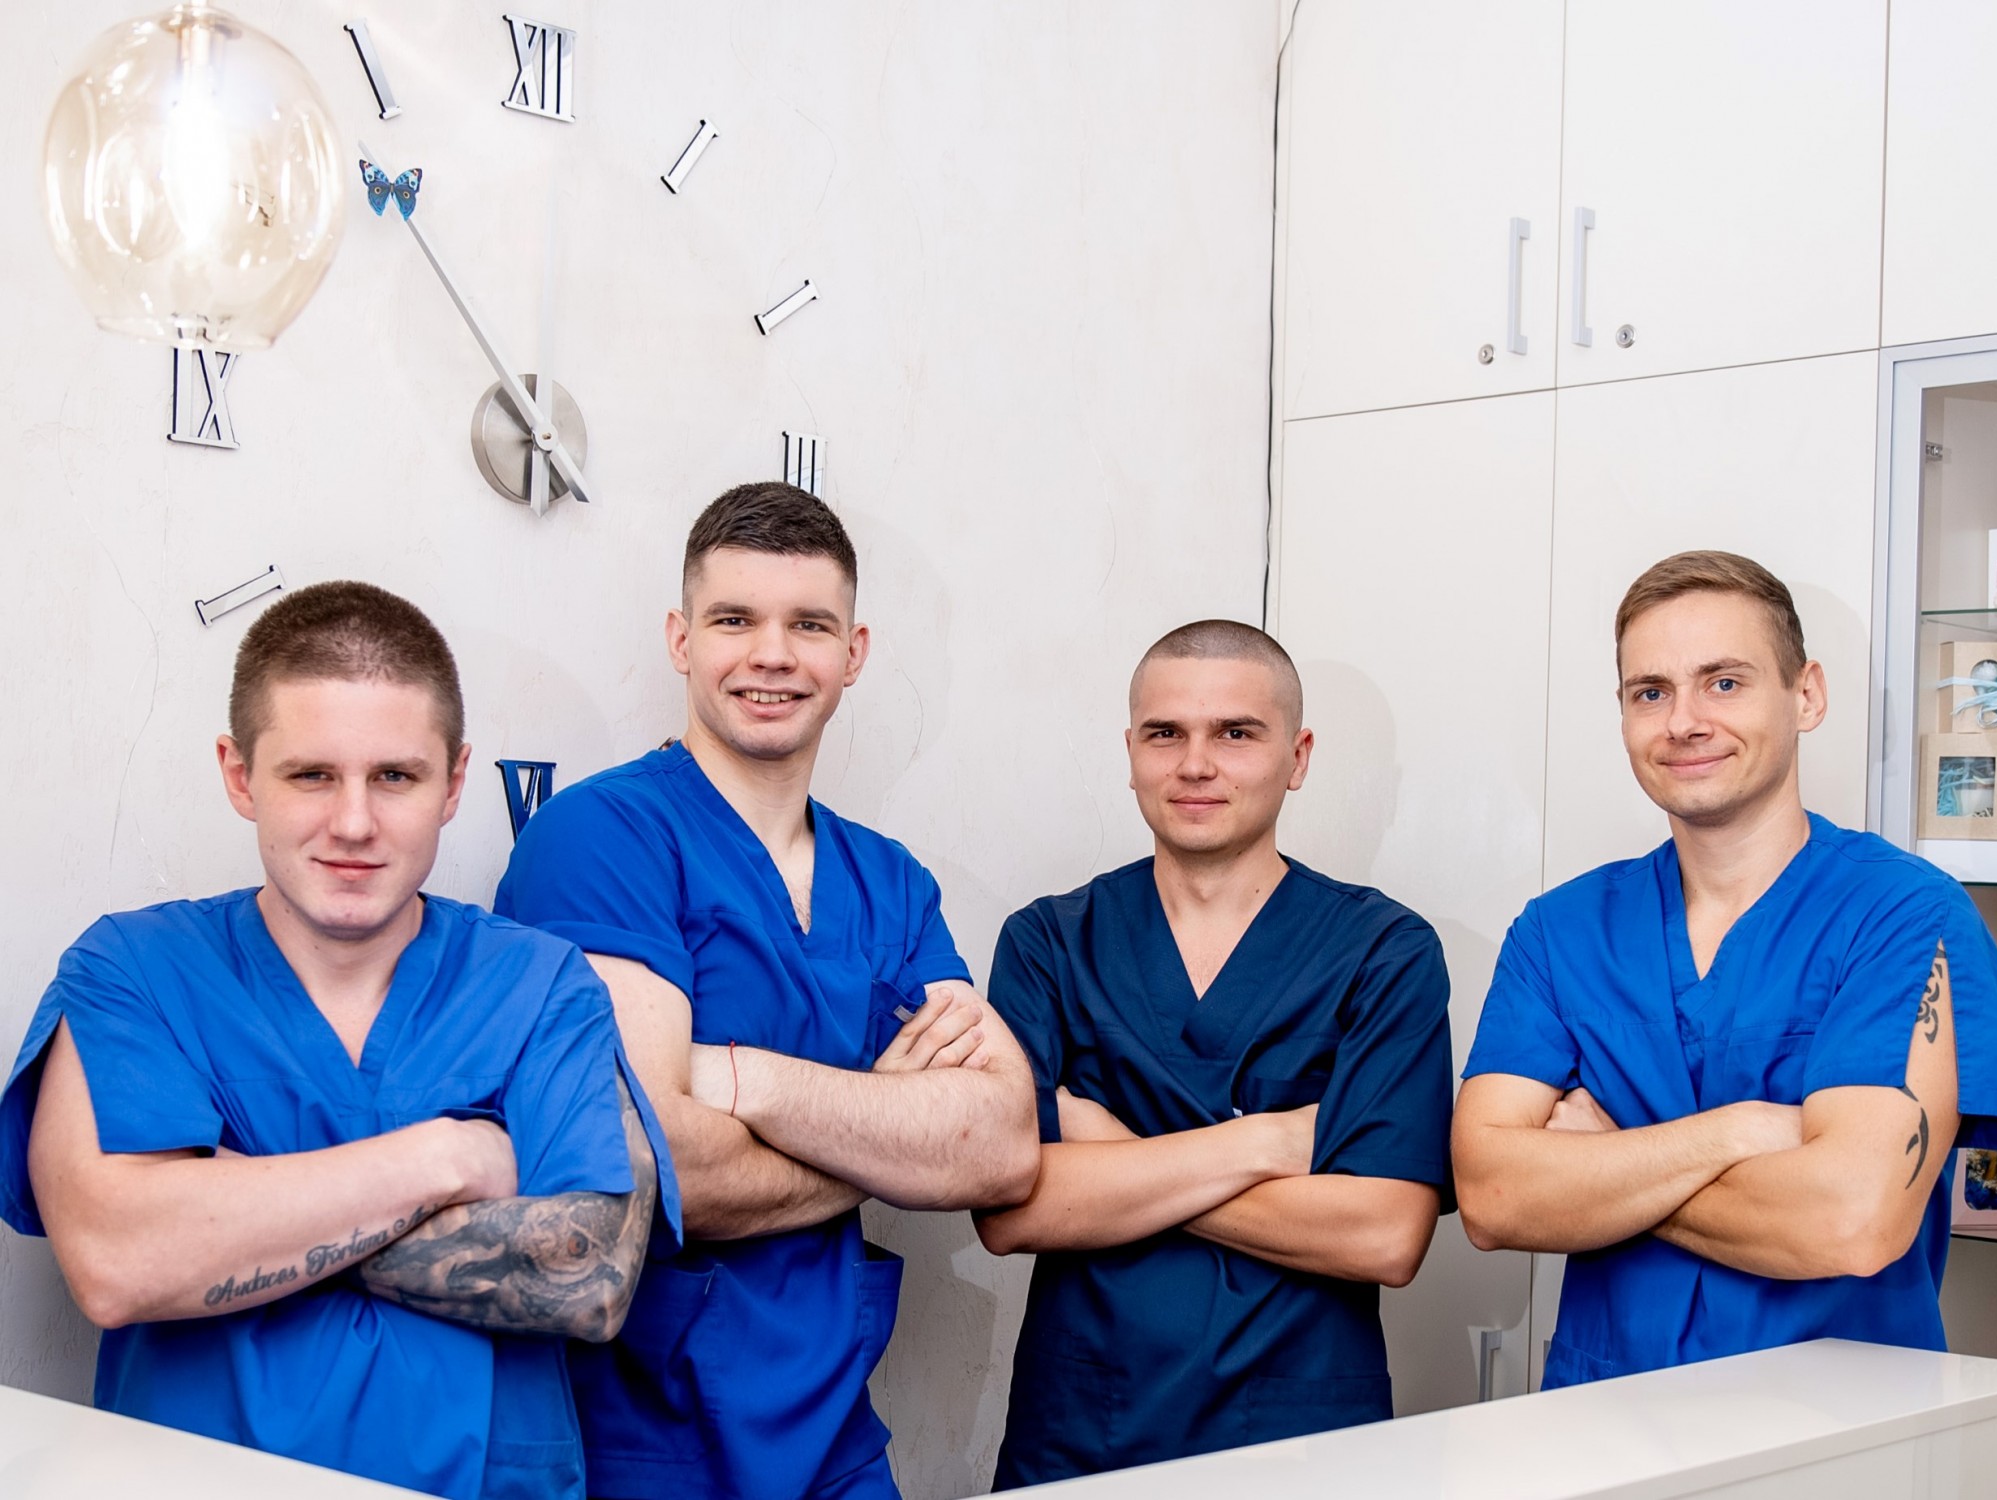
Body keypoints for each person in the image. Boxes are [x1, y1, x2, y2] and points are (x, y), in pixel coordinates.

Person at [0, 581, 672, 1500]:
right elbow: (120, 1263)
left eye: (395, 776)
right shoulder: (135, 971)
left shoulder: (541, 984)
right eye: (311, 774)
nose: (354, 823)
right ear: (240, 775)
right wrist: (447, 1157)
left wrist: (223, 1223)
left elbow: (587, 1278)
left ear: (454, 783)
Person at [495, 481, 1039, 1500]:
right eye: (734, 620)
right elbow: (657, 1168)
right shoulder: (601, 839)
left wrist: (738, 1080)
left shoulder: (889, 881)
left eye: (809, 625)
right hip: (643, 1439)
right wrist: (886, 1142)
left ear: (854, 653)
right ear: (681, 639)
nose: (773, 655)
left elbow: (1000, 1147)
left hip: (836, 1438)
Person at [1454, 549, 1997, 1388]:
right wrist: (1737, 1132)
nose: (1683, 721)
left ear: (1806, 695)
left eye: (1724, 682)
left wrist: (1609, 1166)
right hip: (1600, 1420)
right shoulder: (1559, 932)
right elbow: (1493, 1199)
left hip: (1838, 1426)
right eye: (1651, 692)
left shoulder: (1904, 916)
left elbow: (1852, 1220)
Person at [976, 620, 1454, 1485]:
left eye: (1236, 733)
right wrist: (1265, 1142)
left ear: (1297, 757)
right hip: (1086, 1431)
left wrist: (1113, 1150)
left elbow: (1384, 1235)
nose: (1195, 764)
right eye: (1166, 733)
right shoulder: (1049, 943)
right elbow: (1011, 1212)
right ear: (1131, 752)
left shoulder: (1385, 951)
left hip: (1302, 1438)